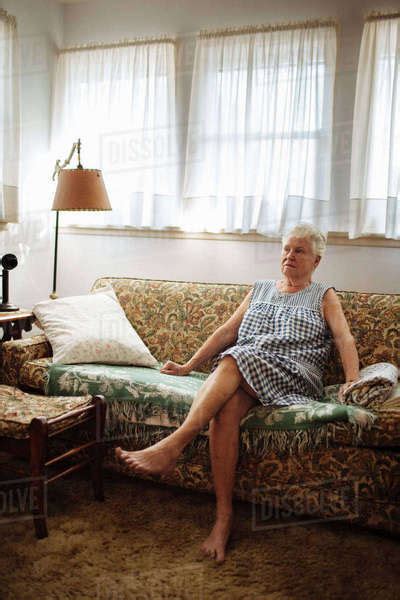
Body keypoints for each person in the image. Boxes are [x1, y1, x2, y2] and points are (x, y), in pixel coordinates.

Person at [115, 222, 360, 563]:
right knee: (226, 410)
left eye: (299, 250)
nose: (289, 256)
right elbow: (227, 331)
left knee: (233, 358)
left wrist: (352, 382)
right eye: (286, 249)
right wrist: (188, 366)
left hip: (293, 373)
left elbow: (343, 339)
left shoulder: (323, 295)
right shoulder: (259, 289)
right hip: (248, 369)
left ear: (316, 261)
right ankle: (223, 518)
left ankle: (174, 444)